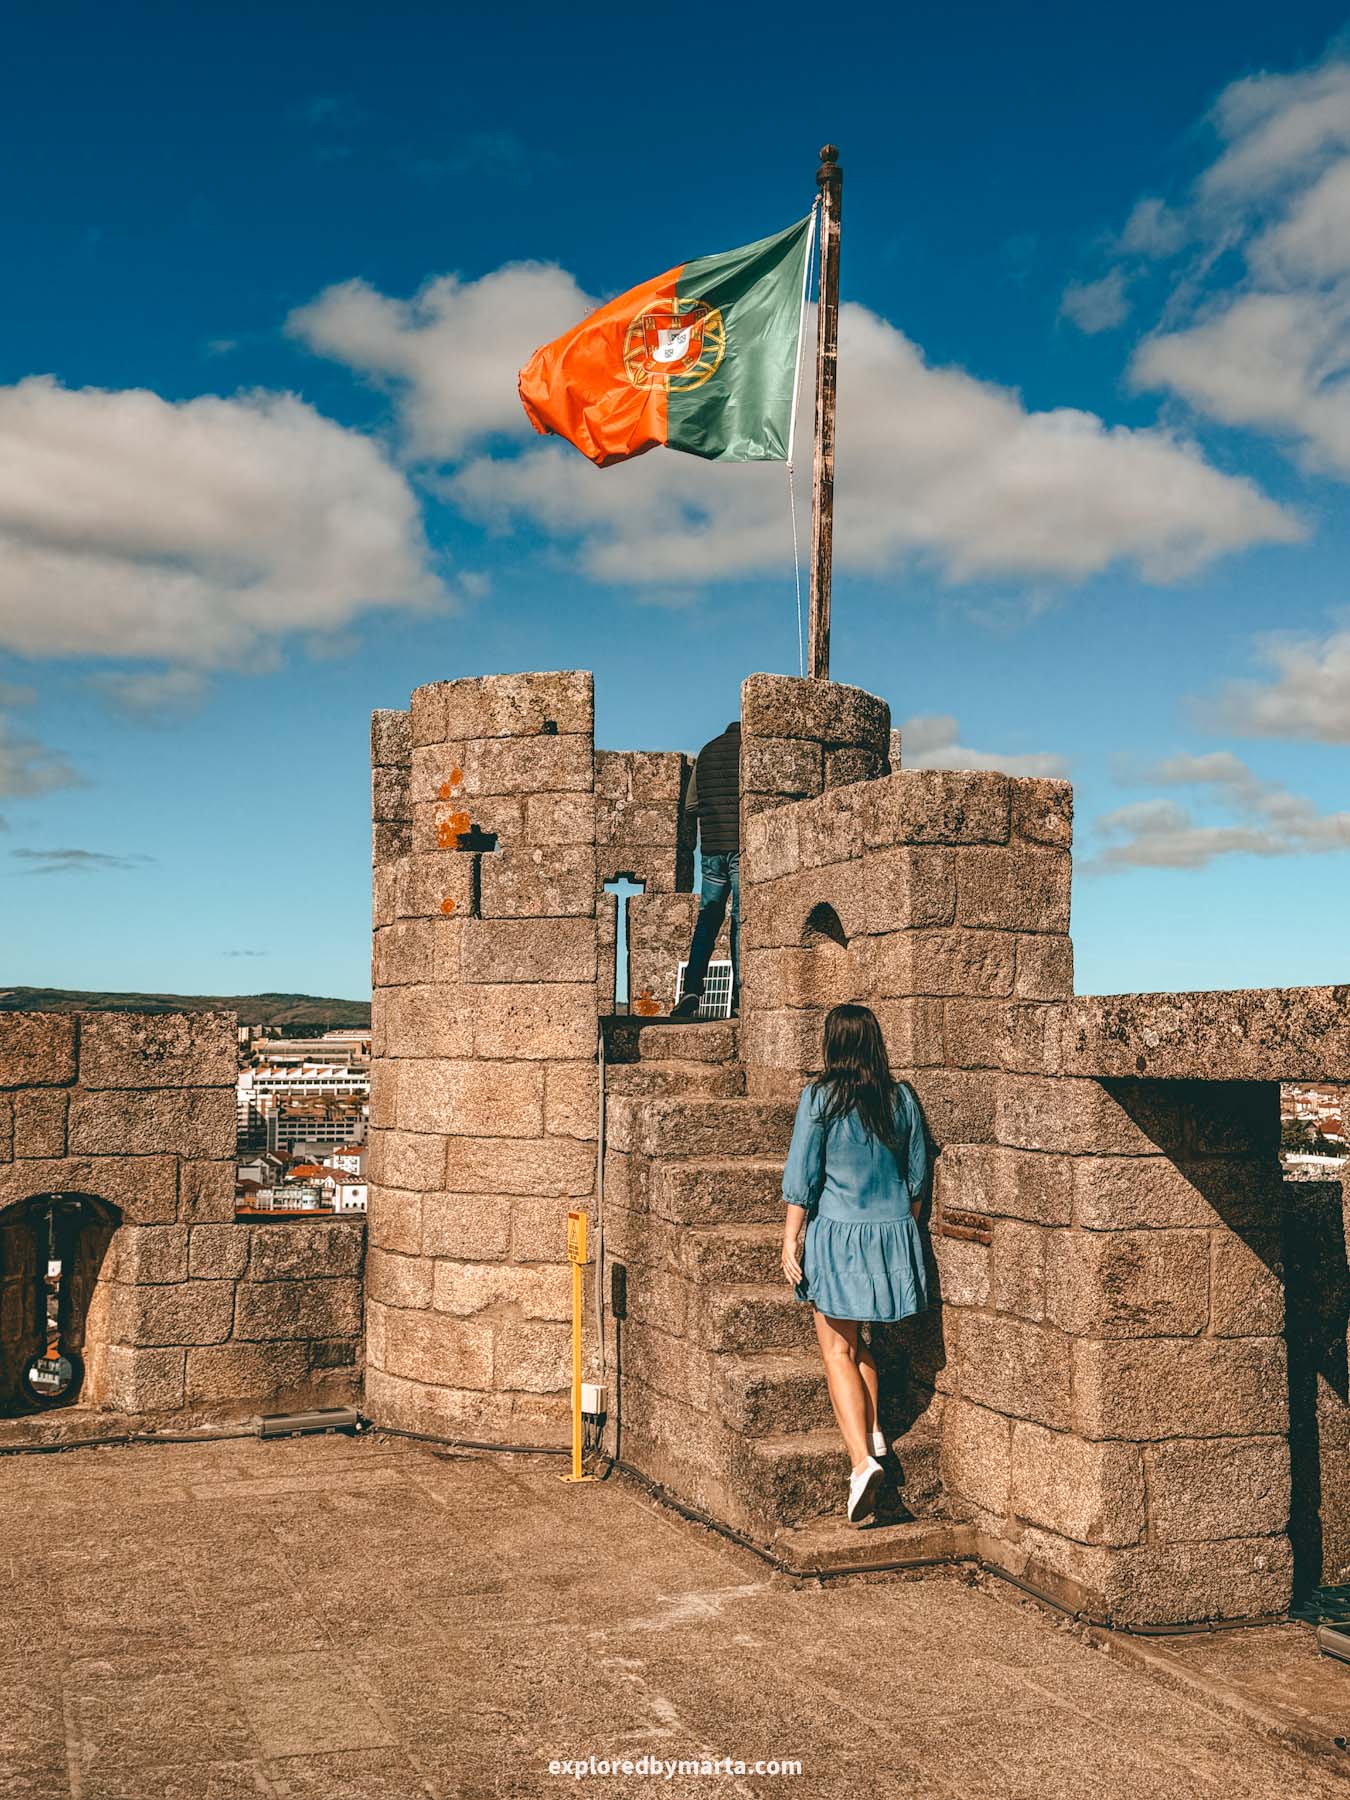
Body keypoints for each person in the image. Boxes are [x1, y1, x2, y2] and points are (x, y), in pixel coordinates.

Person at [780, 1003, 929, 1526]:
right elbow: (916, 1179)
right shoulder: (902, 1098)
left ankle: (861, 1464)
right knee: (859, 1340)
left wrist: (790, 1240)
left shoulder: (821, 1098)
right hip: (892, 1234)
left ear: (833, 1044)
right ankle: (873, 1433)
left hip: (840, 1236)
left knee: (835, 1348)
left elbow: (803, 1175)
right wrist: (899, 1232)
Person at [669, 718, 741, 1020]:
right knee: (741, 918)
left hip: (711, 848)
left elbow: (689, 807)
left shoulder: (707, 751)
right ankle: (741, 992)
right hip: (740, 846)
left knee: (708, 919)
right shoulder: (748, 749)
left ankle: (692, 989)